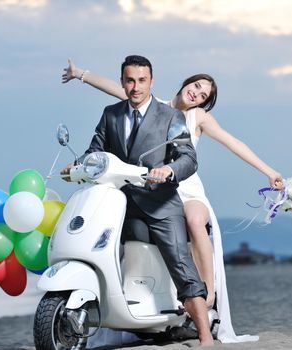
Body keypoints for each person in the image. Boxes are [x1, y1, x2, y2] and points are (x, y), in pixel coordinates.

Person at [62, 59, 283, 343]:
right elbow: (108, 106)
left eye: (204, 95)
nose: (197, 94)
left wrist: (269, 172)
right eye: (196, 86)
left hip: (181, 187)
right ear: (186, 82)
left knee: (190, 224)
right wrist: (81, 74)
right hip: (136, 188)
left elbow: (230, 144)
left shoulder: (189, 117)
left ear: (151, 81)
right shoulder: (138, 103)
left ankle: (207, 298)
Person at [61, 55, 214, 347]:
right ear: (122, 81)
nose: (135, 87)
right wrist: (77, 164)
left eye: (142, 80)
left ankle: (205, 336)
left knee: (180, 262)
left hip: (160, 203)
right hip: (120, 200)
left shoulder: (170, 116)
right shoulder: (111, 114)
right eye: (130, 80)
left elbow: (188, 158)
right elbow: (97, 150)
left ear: (151, 81)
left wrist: (169, 170)